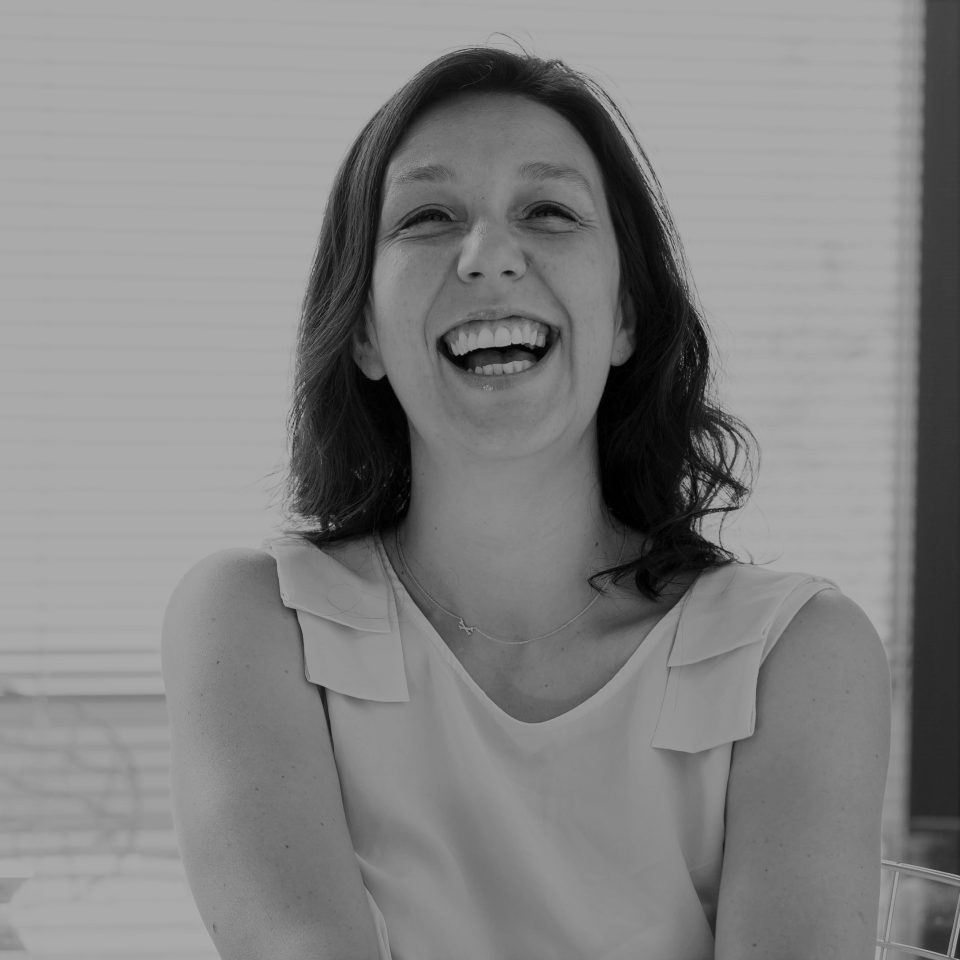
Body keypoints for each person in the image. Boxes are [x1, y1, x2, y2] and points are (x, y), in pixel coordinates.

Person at [161, 44, 892, 960]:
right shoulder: (256, 623)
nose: (489, 257)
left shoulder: (797, 654)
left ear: (625, 315)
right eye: (427, 217)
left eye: (548, 211)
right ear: (364, 333)